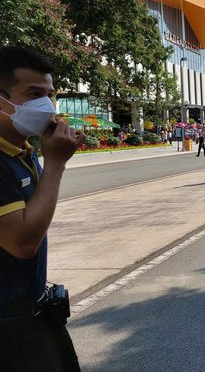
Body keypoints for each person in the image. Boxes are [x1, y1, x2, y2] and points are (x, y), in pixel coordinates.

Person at [0, 47, 86, 371]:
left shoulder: (23, 151)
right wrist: (55, 166)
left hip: (37, 315)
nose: (46, 106)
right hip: (9, 328)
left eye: (49, 95)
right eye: (34, 94)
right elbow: (22, 243)